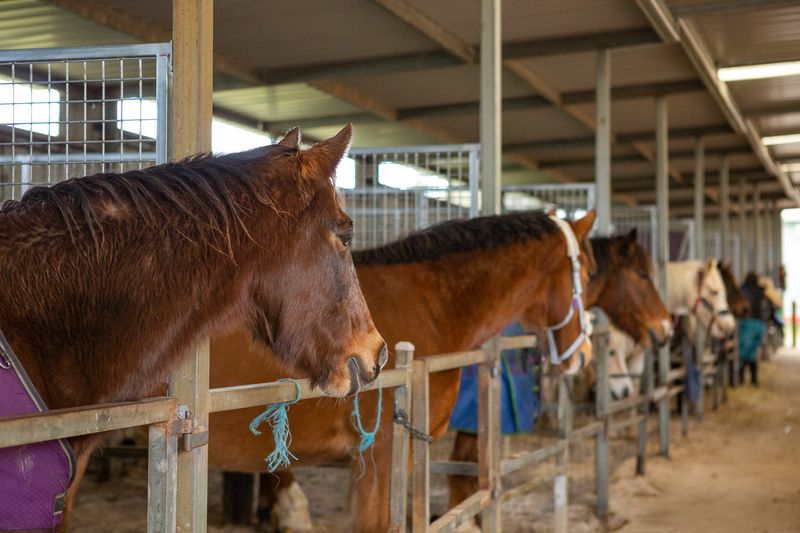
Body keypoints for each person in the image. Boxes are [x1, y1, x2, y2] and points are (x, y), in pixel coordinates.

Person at [738, 273, 769, 385]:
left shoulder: (744, 291)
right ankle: (754, 379)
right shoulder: (761, 292)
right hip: (760, 325)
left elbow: (742, 307)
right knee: (753, 352)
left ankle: (740, 378)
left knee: (742, 353)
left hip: (747, 323)